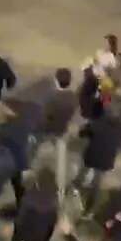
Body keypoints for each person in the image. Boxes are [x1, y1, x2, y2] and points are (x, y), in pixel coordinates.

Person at [37, 68, 77, 196]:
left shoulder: (51, 98)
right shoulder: (72, 97)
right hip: (63, 130)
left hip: (49, 130)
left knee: (43, 155)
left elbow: (44, 117)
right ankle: (61, 190)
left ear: (56, 80)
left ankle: (42, 178)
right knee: (61, 158)